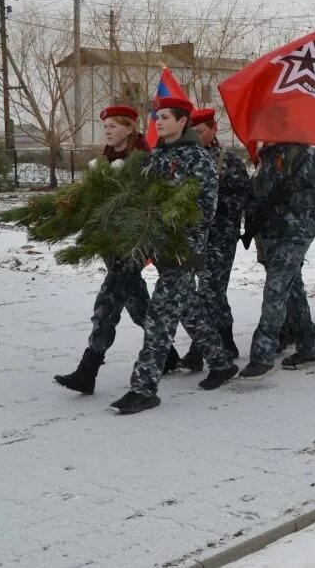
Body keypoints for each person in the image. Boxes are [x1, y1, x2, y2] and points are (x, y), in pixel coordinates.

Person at [110, 96, 237, 415]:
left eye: (166, 116)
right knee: (189, 308)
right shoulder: (158, 157)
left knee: (159, 316)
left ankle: (143, 388)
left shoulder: (197, 158)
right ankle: (221, 363)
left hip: (184, 247)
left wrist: (175, 225)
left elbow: (206, 209)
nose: (159, 121)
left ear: (183, 121)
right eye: (156, 116)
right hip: (161, 245)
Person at [55, 105, 181, 394]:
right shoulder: (106, 160)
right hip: (111, 244)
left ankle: (88, 370)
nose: (108, 131)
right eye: (106, 127)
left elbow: (150, 204)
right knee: (138, 305)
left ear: (129, 128)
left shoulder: (143, 162)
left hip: (132, 244)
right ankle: (169, 356)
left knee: (107, 304)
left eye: (113, 126)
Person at [242, 140, 315, 378]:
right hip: (272, 232)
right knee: (292, 288)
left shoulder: (304, 154)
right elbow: (260, 193)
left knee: (275, 287)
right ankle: (309, 344)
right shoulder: (267, 157)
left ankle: (262, 354)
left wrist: (291, 196)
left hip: (297, 231)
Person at [177, 108, 253, 369]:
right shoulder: (188, 159)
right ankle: (227, 340)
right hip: (197, 236)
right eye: (193, 133)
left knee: (208, 290)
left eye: (201, 131)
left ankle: (198, 350)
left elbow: (244, 194)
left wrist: (222, 206)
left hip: (221, 236)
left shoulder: (227, 159)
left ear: (213, 128)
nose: (198, 137)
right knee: (214, 291)